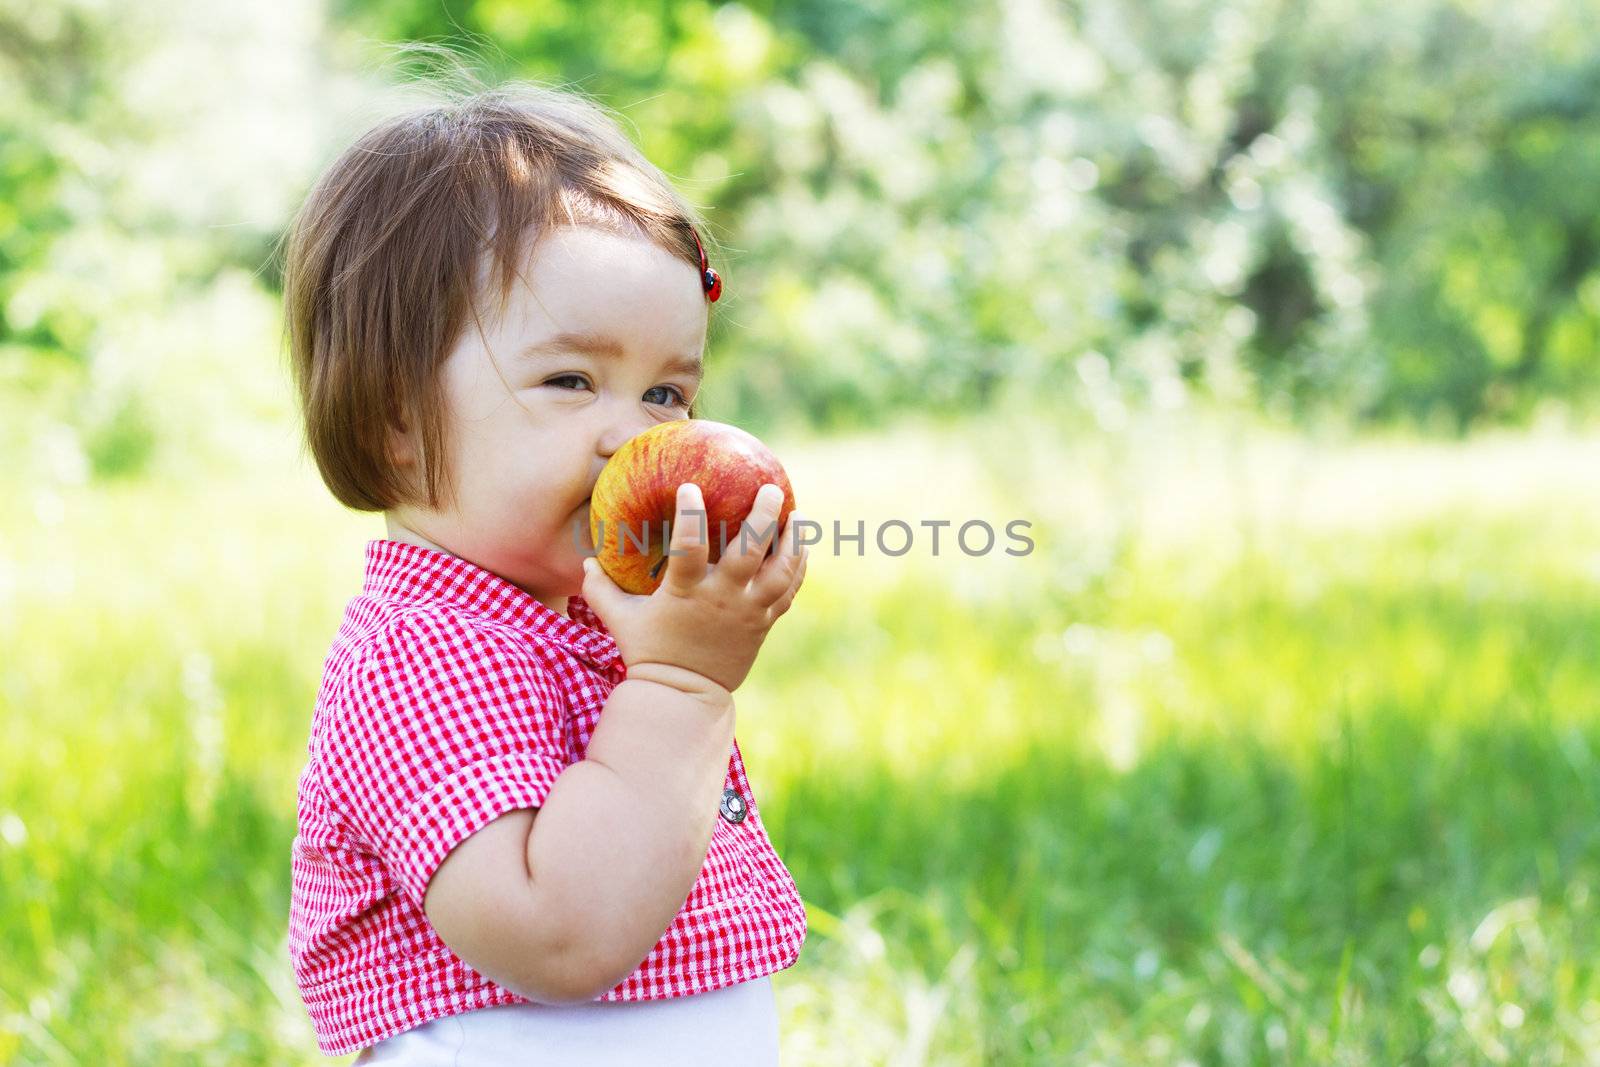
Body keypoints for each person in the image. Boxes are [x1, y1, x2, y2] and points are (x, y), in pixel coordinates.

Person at [279, 79, 810, 1064]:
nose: (635, 433)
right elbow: (559, 935)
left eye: (666, 391)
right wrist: (682, 685)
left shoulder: (584, 630)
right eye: (571, 379)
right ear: (395, 420)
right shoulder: (419, 660)